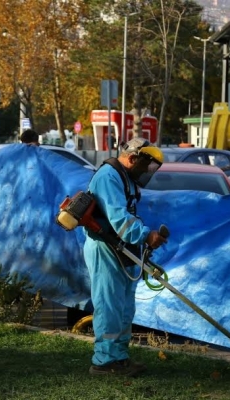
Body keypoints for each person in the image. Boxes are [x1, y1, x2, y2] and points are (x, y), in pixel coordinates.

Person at [84, 137, 167, 376]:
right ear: (131, 158)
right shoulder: (109, 176)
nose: (145, 172)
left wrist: (142, 243)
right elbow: (119, 219)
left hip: (121, 248)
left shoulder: (126, 178)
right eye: (144, 166)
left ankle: (119, 357)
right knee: (109, 307)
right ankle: (104, 362)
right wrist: (145, 235)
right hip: (105, 248)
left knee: (123, 308)